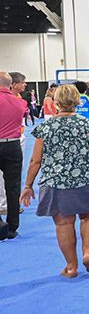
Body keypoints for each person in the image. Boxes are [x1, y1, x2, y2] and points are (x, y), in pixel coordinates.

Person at [19, 84, 89, 277]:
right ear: (78, 101)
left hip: (55, 182)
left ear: (55, 102)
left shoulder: (45, 127)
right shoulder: (88, 124)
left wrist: (28, 185)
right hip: (86, 178)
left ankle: (71, 267)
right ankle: (88, 252)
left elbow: (35, 160)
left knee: (63, 223)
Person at [0, 71, 29, 240]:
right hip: (12, 145)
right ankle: (12, 227)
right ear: (10, 84)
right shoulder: (21, 103)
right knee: (13, 186)